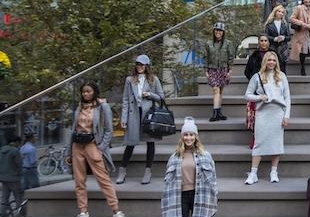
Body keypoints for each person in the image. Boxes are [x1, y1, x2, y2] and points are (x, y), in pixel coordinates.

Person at [68, 82, 125, 217]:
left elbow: (109, 130)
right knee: (79, 180)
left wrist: (101, 147)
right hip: (77, 145)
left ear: (94, 92)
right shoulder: (79, 107)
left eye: (89, 91)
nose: (86, 94)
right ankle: (83, 211)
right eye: (84, 92)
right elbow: (73, 129)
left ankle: (116, 210)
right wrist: (68, 151)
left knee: (103, 179)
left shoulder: (102, 106)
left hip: (92, 145)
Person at [116, 54, 165, 185]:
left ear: (147, 66)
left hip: (148, 114)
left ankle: (148, 171)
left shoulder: (153, 79)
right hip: (133, 114)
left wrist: (150, 94)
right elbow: (125, 99)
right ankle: (122, 171)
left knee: (150, 142)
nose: (140, 67)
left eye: (142, 65)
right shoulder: (130, 80)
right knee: (130, 143)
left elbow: (161, 98)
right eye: (138, 64)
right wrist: (124, 118)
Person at [243, 52, 291, 185]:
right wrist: (259, 97)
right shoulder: (257, 77)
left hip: (278, 114)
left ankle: (274, 172)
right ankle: (253, 173)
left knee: (276, 144)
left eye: (273, 60)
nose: (271, 62)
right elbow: (247, 95)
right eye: (269, 60)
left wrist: (286, 116)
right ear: (265, 61)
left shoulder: (282, 76)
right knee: (259, 143)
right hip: (262, 114)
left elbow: (287, 97)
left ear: (277, 62)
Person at [161, 117, 218, 217]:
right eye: (186, 135)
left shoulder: (206, 155)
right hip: (181, 196)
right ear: (182, 137)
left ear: (196, 137)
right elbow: (168, 183)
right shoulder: (175, 157)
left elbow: (213, 179)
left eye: (191, 135)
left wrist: (215, 195)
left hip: (200, 193)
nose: (188, 138)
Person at [204, 22, 235, 122]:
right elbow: (205, 57)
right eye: (217, 30)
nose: (218, 32)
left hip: (223, 69)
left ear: (223, 32)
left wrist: (230, 70)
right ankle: (215, 112)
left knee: (220, 91)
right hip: (212, 69)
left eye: (220, 31)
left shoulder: (228, 43)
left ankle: (219, 112)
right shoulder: (208, 44)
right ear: (214, 31)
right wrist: (205, 70)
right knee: (216, 90)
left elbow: (231, 57)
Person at [0, 135, 24, 217]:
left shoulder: (2, 150)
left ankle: (3, 213)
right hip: (14, 178)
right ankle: (20, 214)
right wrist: (19, 174)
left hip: (3, 178)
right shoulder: (15, 151)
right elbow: (19, 165)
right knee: (18, 197)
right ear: (16, 142)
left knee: (4, 198)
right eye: (19, 143)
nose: (19, 145)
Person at [264, 4, 291, 73]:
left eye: (282, 12)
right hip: (272, 47)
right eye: (279, 11)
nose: (280, 13)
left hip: (283, 48)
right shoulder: (269, 24)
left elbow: (289, 37)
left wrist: (283, 38)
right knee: (272, 68)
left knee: (282, 68)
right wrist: (274, 39)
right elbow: (266, 36)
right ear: (275, 12)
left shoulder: (285, 24)